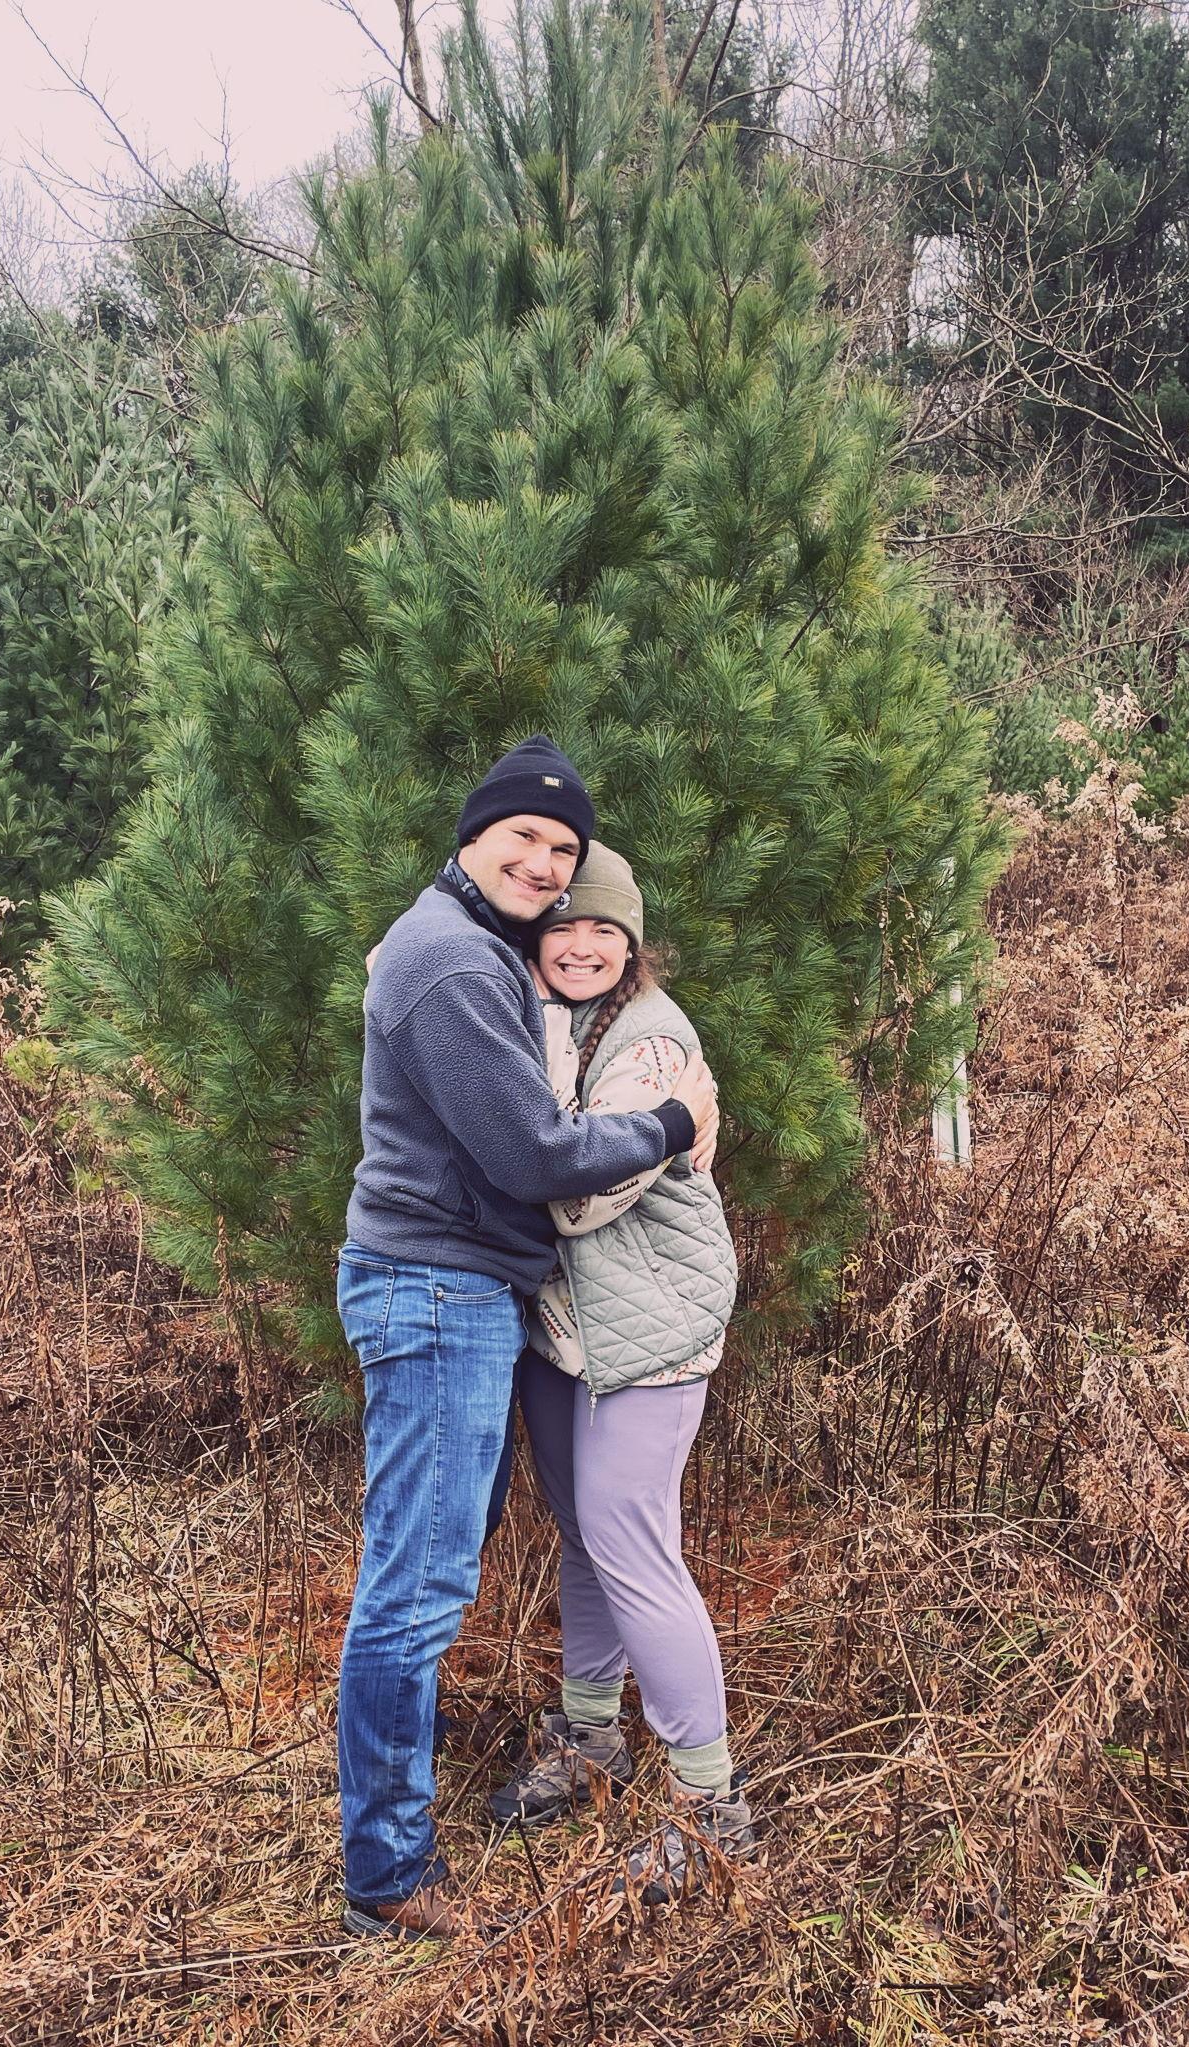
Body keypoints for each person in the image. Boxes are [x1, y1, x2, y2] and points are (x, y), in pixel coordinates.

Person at [336, 737, 721, 1941]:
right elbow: (533, 1156)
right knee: (415, 1590)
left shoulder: (463, 947)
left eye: (564, 849)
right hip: (435, 1289)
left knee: (454, 1568)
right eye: (524, 838)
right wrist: (672, 1123)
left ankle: (647, 1780)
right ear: (472, 833)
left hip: (477, 1295)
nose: (545, 867)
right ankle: (387, 1874)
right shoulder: (454, 957)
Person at [485, 843, 755, 1906]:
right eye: (564, 925)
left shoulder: (650, 1040)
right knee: (583, 1533)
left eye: (605, 928)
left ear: (632, 942)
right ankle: (591, 1736)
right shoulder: (543, 1018)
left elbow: (579, 1195)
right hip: (567, 1332)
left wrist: (522, 1157)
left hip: (650, 1334)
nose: (584, 944)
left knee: (631, 1543)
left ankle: (711, 1802)